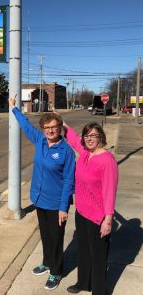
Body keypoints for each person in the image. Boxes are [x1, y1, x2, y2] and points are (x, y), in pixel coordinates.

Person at [8, 96, 75, 291]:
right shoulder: (40, 140)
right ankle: (46, 262)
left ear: (60, 127)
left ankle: (56, 270)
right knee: (45, 235)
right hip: (39, 199)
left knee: (56, 239)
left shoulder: (66, 151)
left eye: (54, 127)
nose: (50, 131)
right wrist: (14, 108)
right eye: (46, 128)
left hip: (56, 203)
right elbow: (26, 125)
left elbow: (69, 181)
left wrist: (64, 207)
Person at [62, 121, 118, 295]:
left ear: (101, 136)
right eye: (87, 136)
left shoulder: (107, 161)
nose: (89, 139)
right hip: (82, 211)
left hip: (98, 217)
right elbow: (73, 138)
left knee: (98, 257)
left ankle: (99, 290)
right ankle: (83, 283)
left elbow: (110, 191)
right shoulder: (86, 153)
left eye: (93, 135)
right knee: (83, 251)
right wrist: (62, 122)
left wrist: (108, 219)